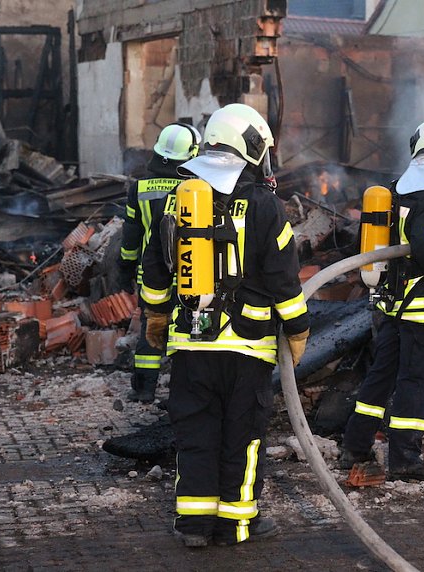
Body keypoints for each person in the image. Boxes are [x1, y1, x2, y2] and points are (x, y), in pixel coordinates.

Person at [139, 103, 310, 547]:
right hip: (246, 348)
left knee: (195, 434)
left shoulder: (175, 201)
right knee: (243, 438)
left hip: (189, 345)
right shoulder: (265, 207)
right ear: (252, 147)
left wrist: (157, 316)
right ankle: (236, 524)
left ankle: (193, 525)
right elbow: (284, 280)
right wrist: (298, 329)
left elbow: (155, 270)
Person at [339, 117, 424, 481]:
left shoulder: (399, 189)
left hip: (392, 304)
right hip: (422, 307)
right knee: (416, 382)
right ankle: (405, 459)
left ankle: (354, 446)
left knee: (380, 379)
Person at [118, 123, 202, 403]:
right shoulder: (196, 189)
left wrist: (126, 269)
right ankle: (182, 393)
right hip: (190, 275)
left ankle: (143, 388)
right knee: (188, 331)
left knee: (150, 329)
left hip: (150, 276)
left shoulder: (139, 188)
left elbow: (131, 236)